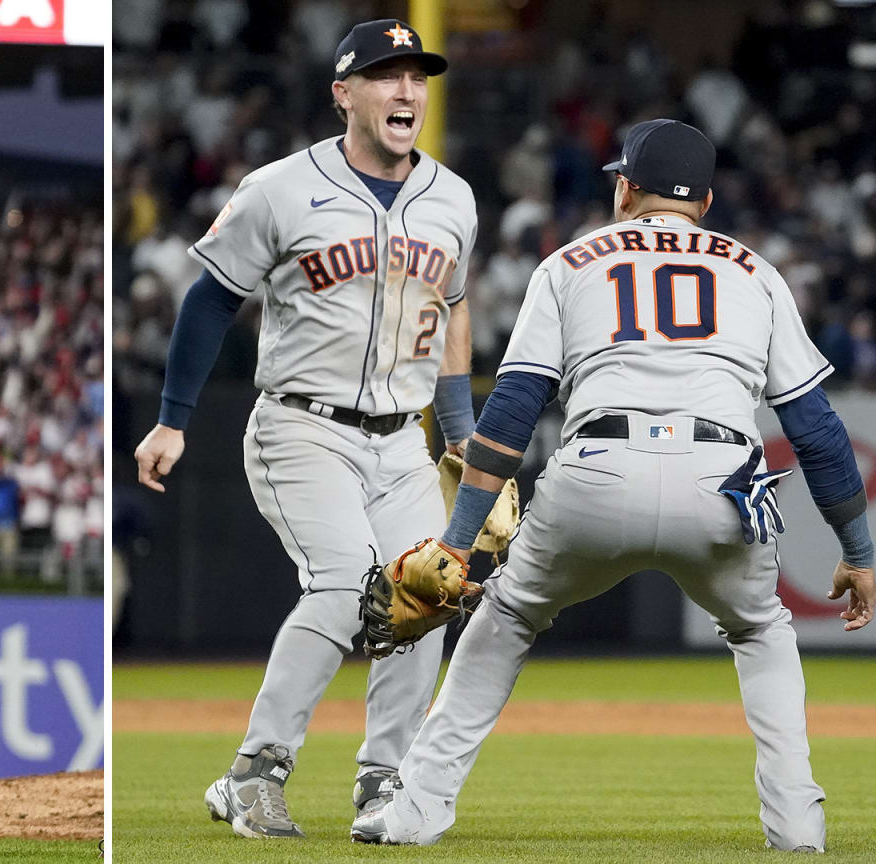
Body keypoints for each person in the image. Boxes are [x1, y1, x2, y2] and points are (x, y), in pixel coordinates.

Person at [351, 119, 876, 852]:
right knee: (761, 629)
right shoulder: (756, 271)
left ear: (626, 188)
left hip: (598, 469)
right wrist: (858, 551)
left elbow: (510, 413)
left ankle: (413, 813)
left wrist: (458, 543)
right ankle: (797, 826)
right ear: (709, 200)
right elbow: (816, 431)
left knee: (505, 619)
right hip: (721, 480)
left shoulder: (569, 262)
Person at [132, 19, 479, 837]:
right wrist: (172, 421)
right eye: (386, 76)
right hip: (301, 425)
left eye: (416, 77)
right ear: (343, 93)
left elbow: (455, 309)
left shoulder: (453, 198)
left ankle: (385, 784)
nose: (406, 92)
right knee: (344, 583)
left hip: (404, 438)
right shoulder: (280, 188)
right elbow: (210, 298)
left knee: (427, 593)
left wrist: (458, 430)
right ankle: (253, 774)